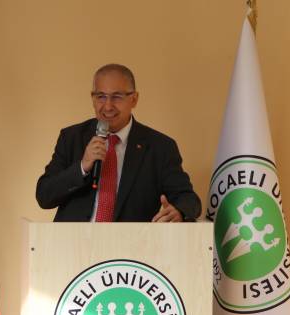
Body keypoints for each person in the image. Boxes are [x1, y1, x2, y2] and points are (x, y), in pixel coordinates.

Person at [36, 64, 201, 222]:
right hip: (74, 240)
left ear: (134, 99)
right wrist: (82, 167)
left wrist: (179, 211)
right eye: (101, 96)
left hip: (131, 241)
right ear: (92, 99)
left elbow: (189, 200)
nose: (108, 106)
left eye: (117, 97)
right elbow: (44, 196)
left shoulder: (160, 147)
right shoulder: (71, 138)